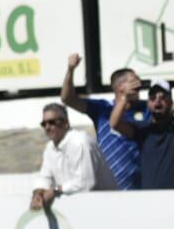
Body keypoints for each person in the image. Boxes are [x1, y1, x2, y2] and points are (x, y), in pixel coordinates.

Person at [112, 66, 174, 190]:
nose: (157, 101)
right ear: (148, 104)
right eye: (152, 98)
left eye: (163, 97)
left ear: (171, 102)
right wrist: (124, 97)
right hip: (150, 200)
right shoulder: (142, 130)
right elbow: (115, 123)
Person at [59, 53, 142, 191]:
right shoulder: (102, 108)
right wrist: (70, 70)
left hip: (139, 188)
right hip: (108, 189)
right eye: (134, 80)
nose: (139, 83)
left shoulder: (145, 108)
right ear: (120, 87)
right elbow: (68, 99)